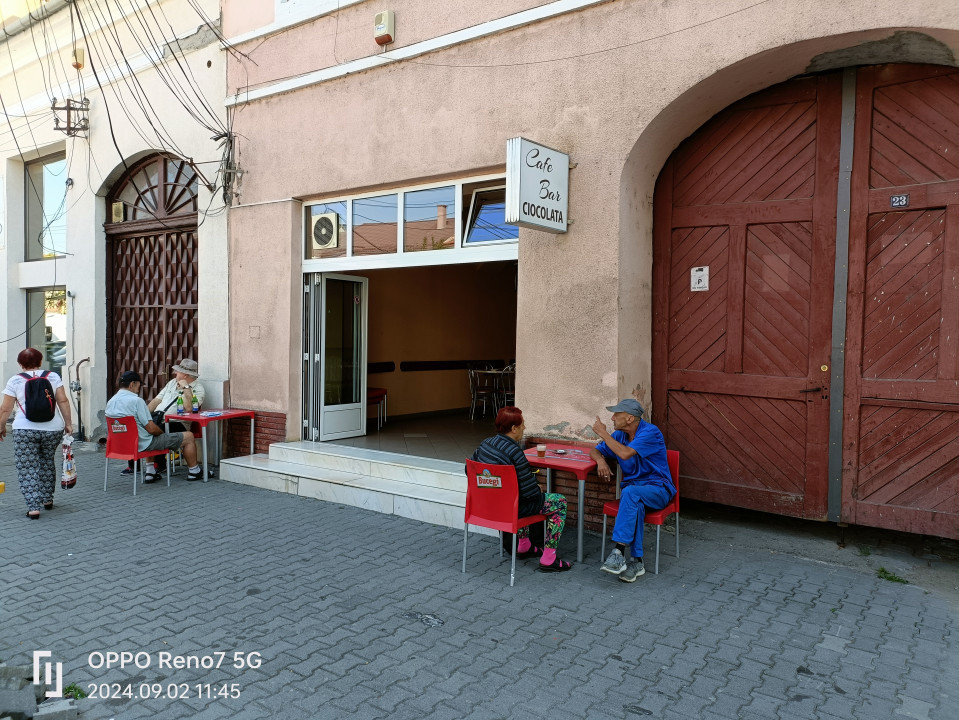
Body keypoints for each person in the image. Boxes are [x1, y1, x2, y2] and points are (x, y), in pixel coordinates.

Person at [471, 406, 572, 572]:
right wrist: (537, 487)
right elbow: (529, 493)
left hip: (486, 507)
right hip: (511, 509)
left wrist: (493, 487)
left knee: (517, 495)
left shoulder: (485, 444)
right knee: (559, 502)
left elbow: (470, 471)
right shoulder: (515, 452)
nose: (524, 428)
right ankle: (549, 558)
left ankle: (524, 545)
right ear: (514, 428)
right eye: (522, 425)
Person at [591, 398, 674, 582]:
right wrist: (600, 460)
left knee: (630, 493)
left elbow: (625, 453)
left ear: (629, 419)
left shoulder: (650, 432)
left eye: (616, 415)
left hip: (659, 490)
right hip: (635, 494)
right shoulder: (620, 436)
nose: (612, 418)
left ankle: (618, 551)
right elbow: (595, 451)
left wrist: (603, 433)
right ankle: (637, 562)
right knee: (634, 501)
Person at [0, 348, 73, 519]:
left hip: (24, 430)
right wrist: (68, 423)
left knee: (27, 467)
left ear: (20, 364)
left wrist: (1, 427)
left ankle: (33, 507)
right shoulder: (53, 376)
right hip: (53, 429)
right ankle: (47, 499)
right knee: (47, 461)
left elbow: (5, 409)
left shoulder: (15, 380)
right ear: (41, 362)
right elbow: (62, 400)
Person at [106, 370, 203, 482]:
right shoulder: (136, 401)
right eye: (138, 385)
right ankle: (194, 472)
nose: (138, 389)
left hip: (119, 445)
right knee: (189, 436)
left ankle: (150, 472)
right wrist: (162, 434)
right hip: (141, 444)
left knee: (151, 432)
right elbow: (151, 429)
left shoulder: (111, 402)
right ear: (132, 384)